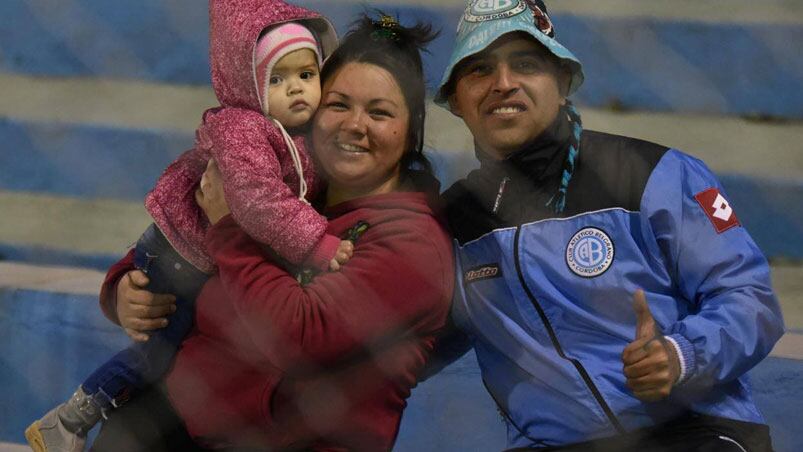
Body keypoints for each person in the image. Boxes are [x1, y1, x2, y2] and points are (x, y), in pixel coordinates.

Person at [434, 0, 785, 450]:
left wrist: (680, 356)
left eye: (525, 63)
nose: (503, 84)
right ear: (456, 101)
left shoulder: (656, 172)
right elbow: (412, 344)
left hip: (692, 430)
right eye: (479, 70)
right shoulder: (453, 222)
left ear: (563, 82)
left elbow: (750, 298)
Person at [90, 13, 449, 452]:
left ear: (411, 131)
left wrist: (231, 229)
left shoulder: (413, 241)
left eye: (379, 113)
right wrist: (125, 288)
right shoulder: (281, 189)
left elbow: (301, 338)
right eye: (337, 104)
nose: (355, 125)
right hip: (181, 425)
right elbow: (181, 221)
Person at [25, 1, 344, 450]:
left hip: (227, 346)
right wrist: (119, 289)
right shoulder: (246, 132)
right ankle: (70, 420)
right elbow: (257, 205)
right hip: (179, 260)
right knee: (155, 357)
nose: (296, 90)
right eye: (277, 79)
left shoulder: (301, 142)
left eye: (307, 76)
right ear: (249, 85)